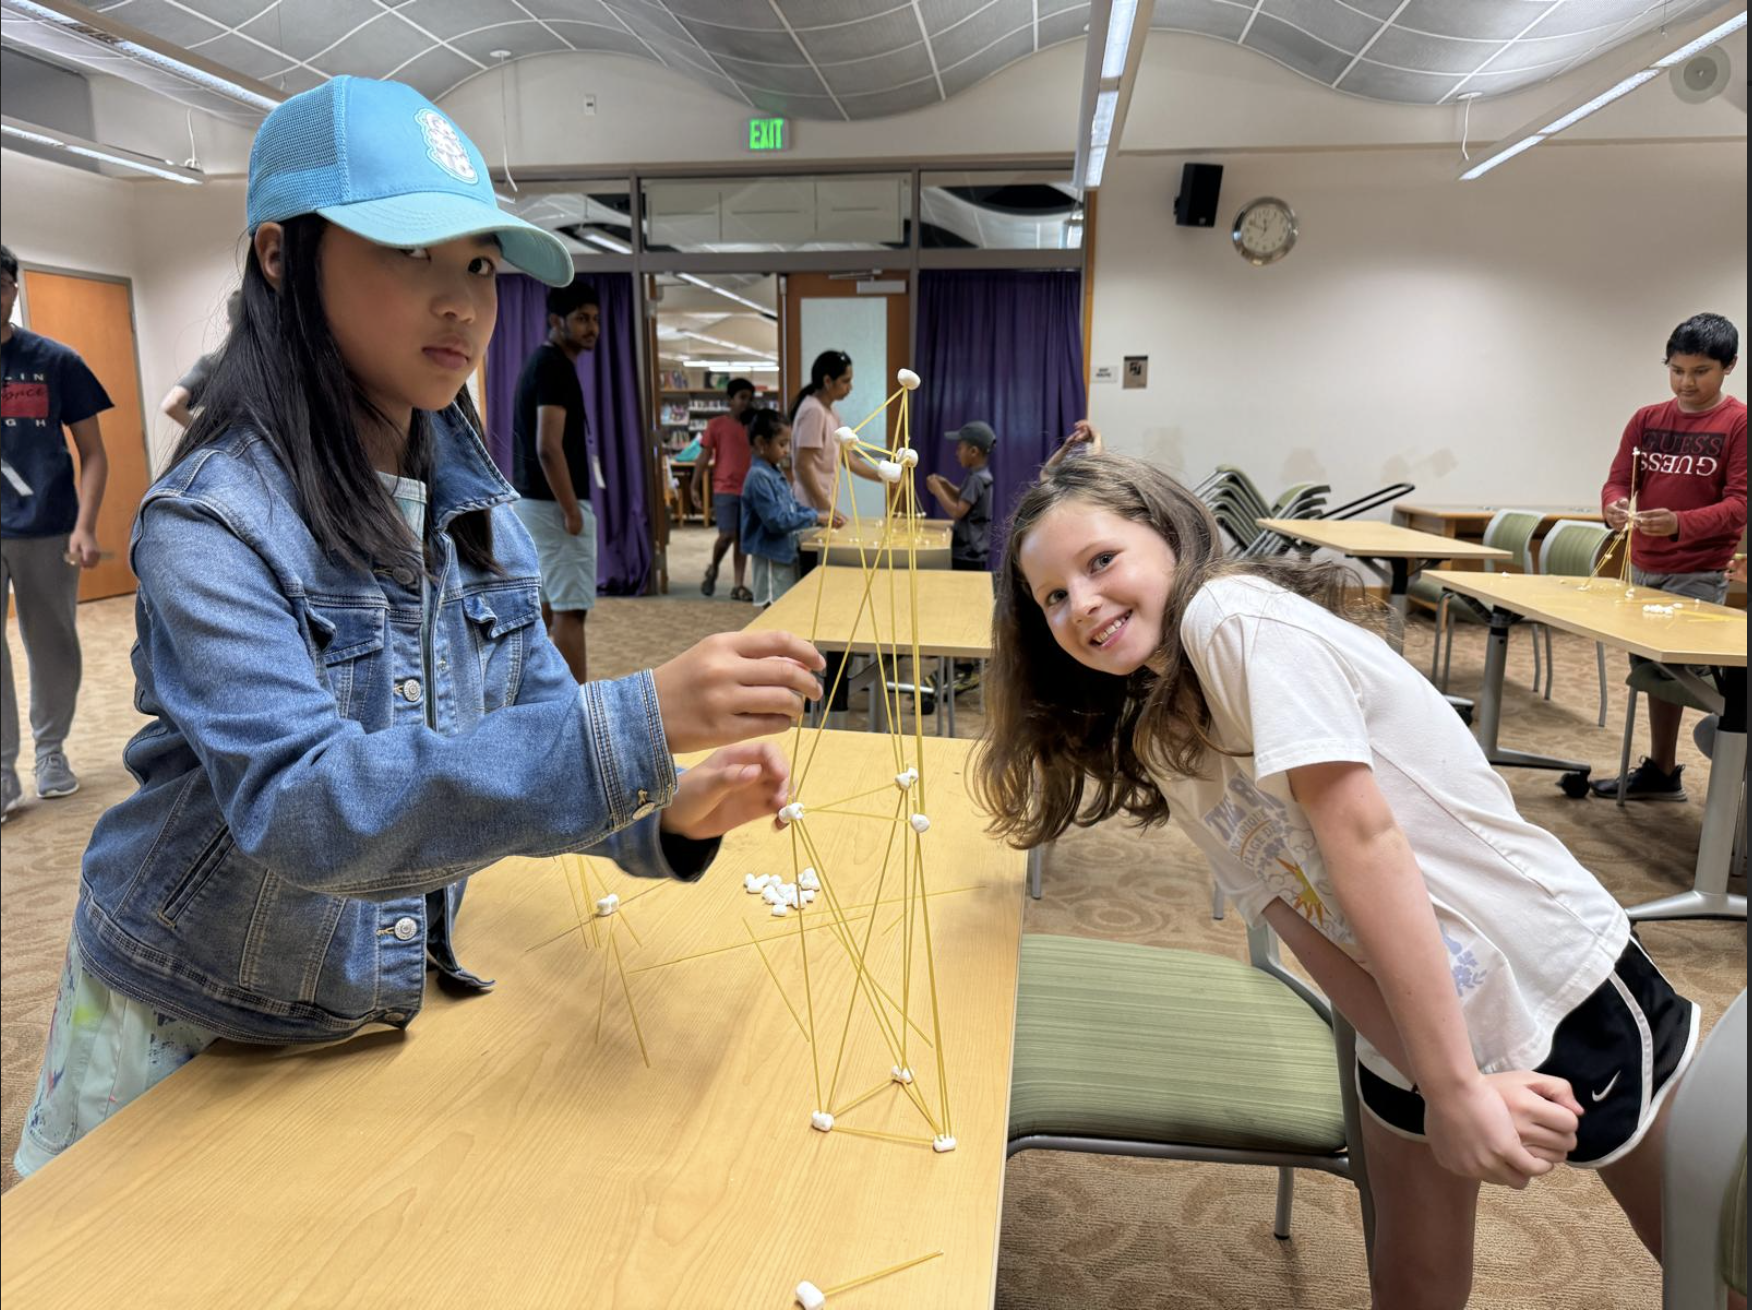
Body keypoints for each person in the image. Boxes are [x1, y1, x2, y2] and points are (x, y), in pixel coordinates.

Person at [12, 77, 827, 1178]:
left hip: (364, 1008)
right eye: (411, 254)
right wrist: (637, 720)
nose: (462, 303)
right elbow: (306, 805)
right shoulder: (210, 522)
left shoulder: (471, 506)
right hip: (195, 1005)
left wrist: (666, 811)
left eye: (480, 265)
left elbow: (532, 726)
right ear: (280, 255)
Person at [974, 453, 1707, 1310]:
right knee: (1412, 1274)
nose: (1083, 603)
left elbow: (1365, 839)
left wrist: (1454, 1086)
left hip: (1544, 974)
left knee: (1701, 1257)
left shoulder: (1232, 620)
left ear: (1170, 535)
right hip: (1405, 1016)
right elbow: (1297, 921)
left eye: (1101, 561)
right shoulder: (1158, 736)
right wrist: (1438, 1078)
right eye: (1053, 597)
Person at [1590, 312, 1745, 801]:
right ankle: (1661, 770)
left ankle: (1728, 769)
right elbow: (1619, 479)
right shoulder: (1647, 419)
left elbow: (1740, 503)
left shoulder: (1739, 423)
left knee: (1688, 680)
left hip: (1698, 569)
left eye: (1700, 371)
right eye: (1676, 370)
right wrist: (1614, 506)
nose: (1686, 383)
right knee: (1655, 676)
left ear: (1729, 366)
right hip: (1643, 564)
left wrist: (1681, 523)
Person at [1, 242, 111, 822]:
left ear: (13, 290)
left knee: (52, 644)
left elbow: (93, 453)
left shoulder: (55, 361)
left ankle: (51, 753)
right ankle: (1, 770)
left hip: (46, 526)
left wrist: (85, 525)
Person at [511, 276, 600, 683]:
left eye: (595, 318)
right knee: (570, 610)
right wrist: (571, 510)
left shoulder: (543, 363)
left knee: (546, 608)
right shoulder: (554, 367)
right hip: (553, 507)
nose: (591, 327)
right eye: (581, 318)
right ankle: (573, 705)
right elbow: (548, 446)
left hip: (536, 504)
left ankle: (541, 696)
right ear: (555, 320)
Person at [741, 408, 841, 609]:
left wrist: (820, 516)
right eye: (782, 444)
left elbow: (793, 507)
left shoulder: (774, 472)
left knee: (786, 607)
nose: (787, 450)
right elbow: (776, 521)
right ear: (761, 443)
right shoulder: (759, 476)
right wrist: (815, 517)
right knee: (775, 610)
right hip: (771, 558)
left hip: (784, 552)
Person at [788, 349, 882, 516]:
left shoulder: (831, 413)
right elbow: (803, 466)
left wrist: (883, 477)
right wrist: (826, 507)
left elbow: (849, 459)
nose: (850, 387)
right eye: (846, 381)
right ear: (827, 381)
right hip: (809, 506)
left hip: (821, 504)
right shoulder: (814, 411)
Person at [693, 376, 755, 601]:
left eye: (749, 398)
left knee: (742, 539)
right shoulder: (716, 425)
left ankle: (738, 584)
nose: (746, 402)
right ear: (730, 400)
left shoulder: (753, 426)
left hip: (748, 489)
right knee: (727, 535)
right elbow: (704, 456)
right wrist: (694, 485)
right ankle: (714, 566)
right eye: (741, 397)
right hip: (724, 488)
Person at [159, 291, 244, 429]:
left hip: (230, 439)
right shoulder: (272, 363)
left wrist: (203, 434)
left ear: (229, 324)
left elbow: (171, 404)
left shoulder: (212, 363)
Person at [924, 420, 997, 572]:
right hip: (973, 553)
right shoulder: (980, 475)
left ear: (973, 452)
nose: (956, 453)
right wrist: (945, 484)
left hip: (968, 554)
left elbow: (958, 512)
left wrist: (937, 490)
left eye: (960, 448)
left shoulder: (976, 480)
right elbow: (964, 498)